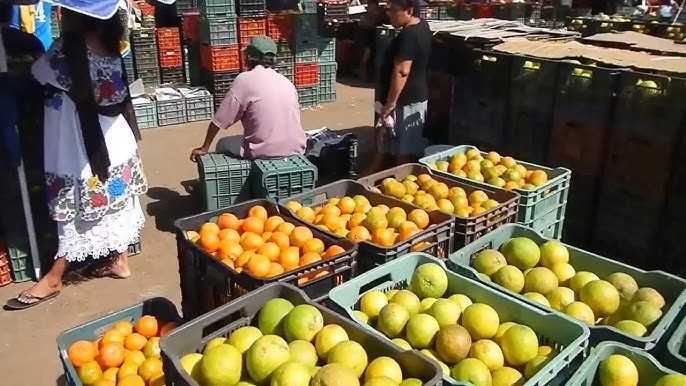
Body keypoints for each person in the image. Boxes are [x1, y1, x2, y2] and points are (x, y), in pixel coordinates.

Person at [6, 9, 146, 310]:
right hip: (113, 141)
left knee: (75, 212)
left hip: (81, 145)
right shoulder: (112, 42)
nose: (59, 15)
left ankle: (54, 277)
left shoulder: (66, 49)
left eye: (64, 11)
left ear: (77, 17)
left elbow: (37, 73)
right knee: (115, 204)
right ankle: (119, 261)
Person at [190, 35, 306, 162]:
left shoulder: (244, 79)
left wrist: (204, 147)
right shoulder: (286, 81)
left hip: (264, 151)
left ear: (250, 58)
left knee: (222, 143)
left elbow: (219, 120)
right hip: (297, 148)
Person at [366, 0, 431, 175]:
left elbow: (402, 71)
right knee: (390, 143)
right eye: (388, 10)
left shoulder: (408, 36)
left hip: (405, 100)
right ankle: (377, 175)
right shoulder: (422, 26)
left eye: (393, 11)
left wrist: (391, 103)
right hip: (411, 97)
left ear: (409, 11)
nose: (389, 14)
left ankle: (403, 188)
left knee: (404, 152)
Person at [358, 0, 389, 82]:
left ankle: (371, 76)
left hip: (378, 39)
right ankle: (363, 77)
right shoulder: (365, 17)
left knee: (375, 59)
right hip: (368, 40)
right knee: (365, 58)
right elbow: (363, 24)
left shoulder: (381, 14)